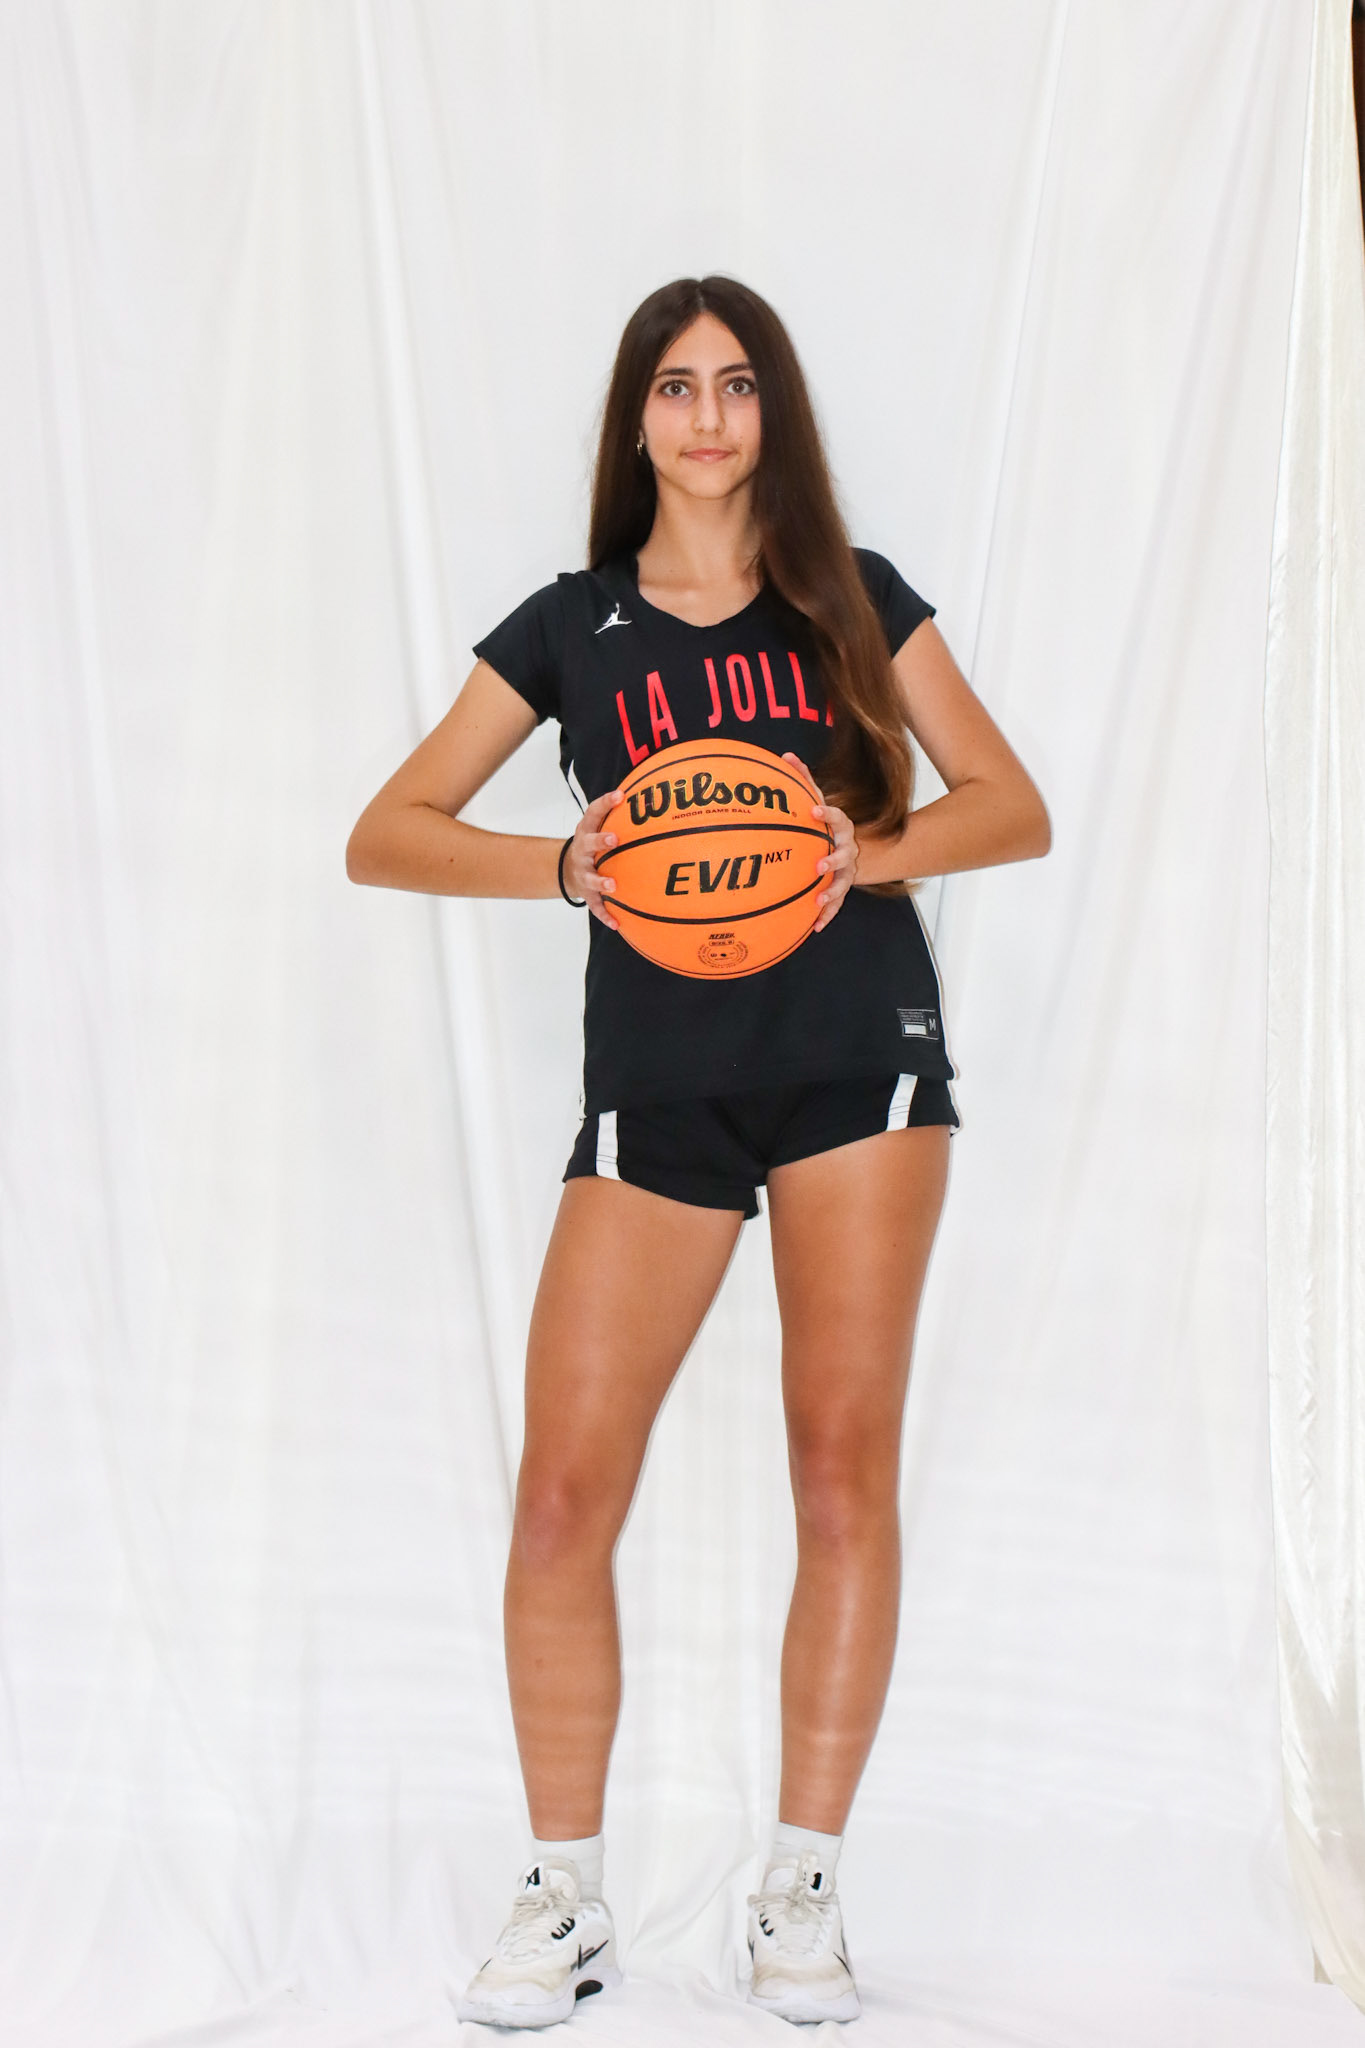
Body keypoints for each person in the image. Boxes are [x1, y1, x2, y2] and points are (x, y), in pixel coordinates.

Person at [346, 275, 1050, 2029]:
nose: (709, 417)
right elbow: (386, 832)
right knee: (562, 1495)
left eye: (737, 385)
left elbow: (1010, 806)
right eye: (676, 387)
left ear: (771, 412)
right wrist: (566, 867)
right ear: (637, 418)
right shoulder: (571, 624)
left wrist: (857, 850)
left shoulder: (850, 598)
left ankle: (798, 1893)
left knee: (839, 1472)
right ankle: (563, 1896)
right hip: (655, 1082)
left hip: (855, 1062)